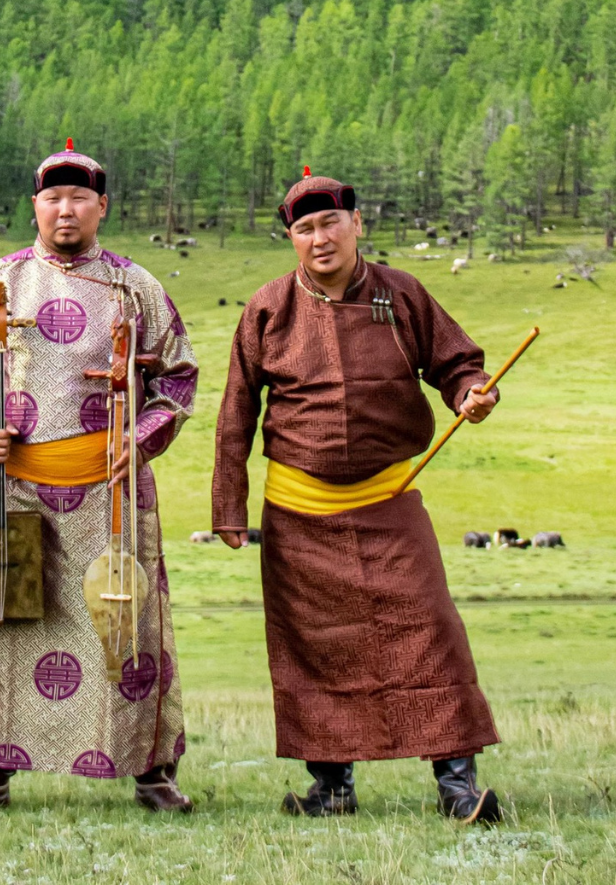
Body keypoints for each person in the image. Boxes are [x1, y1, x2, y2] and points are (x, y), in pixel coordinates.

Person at [212, 171, 501, 823]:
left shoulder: (403, 295)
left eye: (330, 223)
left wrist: (471, 394)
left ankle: (458, 786)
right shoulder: (266, 309)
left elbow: (456, 363)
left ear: (357, 224)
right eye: (304, 228)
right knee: (315, 648)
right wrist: (228, 507)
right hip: (298, 513)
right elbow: (236, 414)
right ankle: (331, 788)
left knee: (430, 629)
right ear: (292, 237)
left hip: (388, 500)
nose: (319, 238)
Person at [0, 140, 197, 811]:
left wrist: (139, 440)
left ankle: (151, 770)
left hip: (110, 491)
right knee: (6, 624)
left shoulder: (135, 287)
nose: (65, 210)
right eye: (53, 197)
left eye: (79, 197)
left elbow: (177, 380)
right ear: (35, 205)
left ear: (101, 207)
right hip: (18, 487)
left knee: (124, 624)